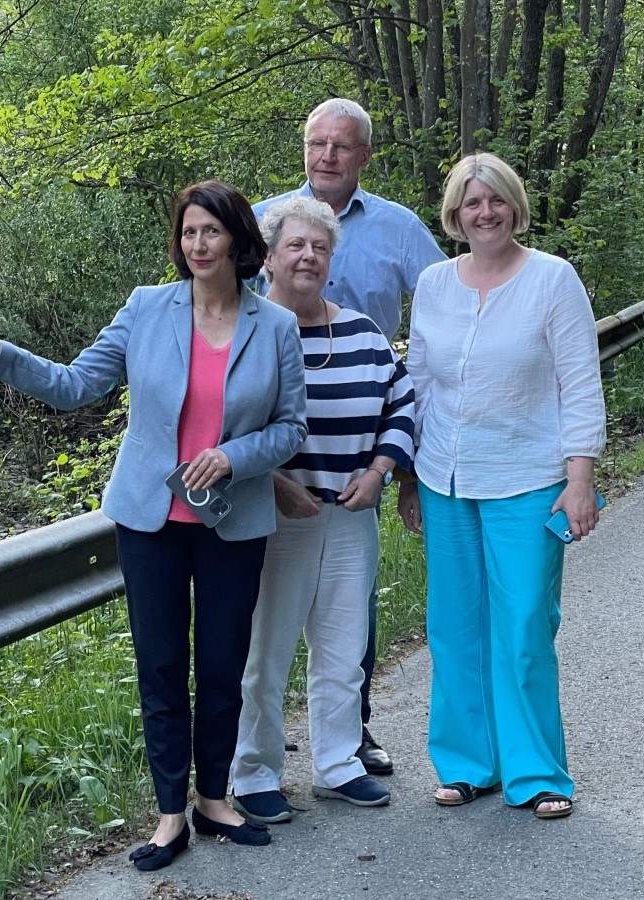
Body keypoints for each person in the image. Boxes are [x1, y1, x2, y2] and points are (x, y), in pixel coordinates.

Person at [0, 180, 308, 869]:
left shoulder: (275, 326)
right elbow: (80, 385)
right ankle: (171, 814)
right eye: (188, 233)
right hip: (150, 519)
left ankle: (215, 799)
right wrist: (4, 356)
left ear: (239, 242)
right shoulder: (145, 309)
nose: (197, 245)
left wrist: (232, 456)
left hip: (234, 520)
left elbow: (290, 430)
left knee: (222, 664)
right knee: (161, 665)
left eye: (211, 233)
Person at [397, 153, 606, 820]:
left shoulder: (552, 280)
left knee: (523, 627)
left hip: (528, 479)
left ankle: (538, 772)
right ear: (454, 215)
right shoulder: (432, 284)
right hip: (444, 479)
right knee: (454, 628)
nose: (483, 213)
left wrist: (581, 478)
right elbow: (419, 385)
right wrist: (407, 476)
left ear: (515, 206)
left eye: (495, 201)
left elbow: (579, 382)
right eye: (470, 203)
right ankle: (467, 765)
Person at [253, 97, 444, 775]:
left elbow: (438, 325)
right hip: (267, 472)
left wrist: (401, 469)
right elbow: (215, 323)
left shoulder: (399, 230)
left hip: (359, 457)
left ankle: (348, 740)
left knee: (347, 617)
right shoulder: (261, 222)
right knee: (264, 628)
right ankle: (258, 756)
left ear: (364, 154)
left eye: (342, 145)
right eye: (317, 143)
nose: (327, 156)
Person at [230, 197, 414, 822]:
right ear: (271, 256)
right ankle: (253, 772)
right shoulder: (245, 330)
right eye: (296, 246)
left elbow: (403, 404)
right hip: (276, 516)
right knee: (267, 649)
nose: (308, 257)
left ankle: (338, 764)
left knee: (344, 648)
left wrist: (382, 468)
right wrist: (275, 481)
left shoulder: (362, 333)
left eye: (320, 248)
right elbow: (221, 422)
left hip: (352, 512)